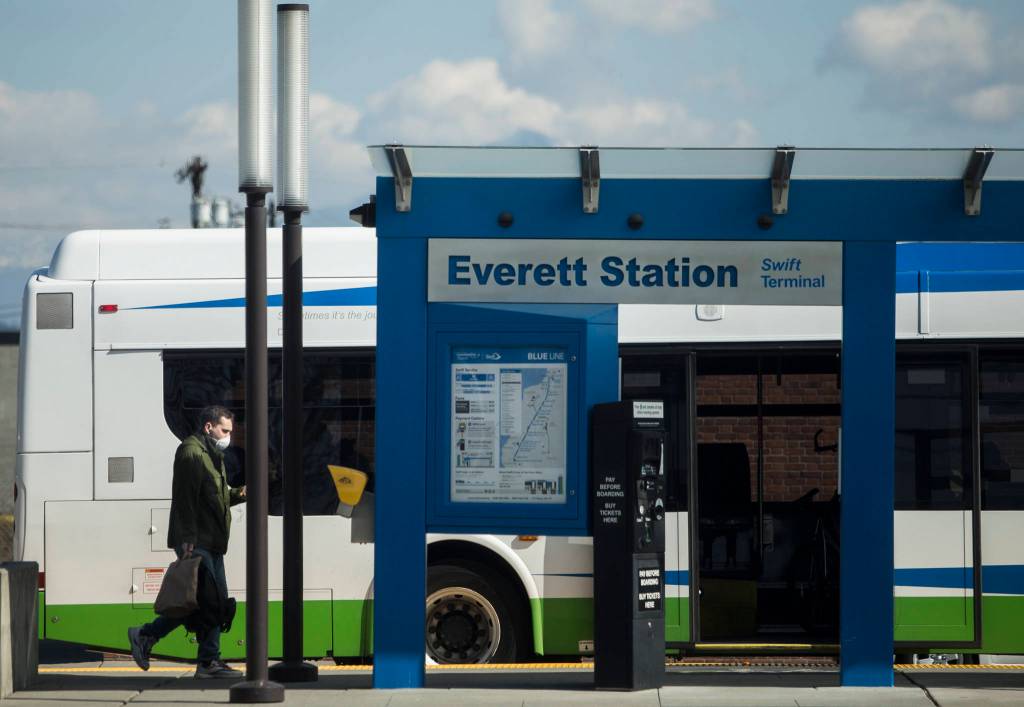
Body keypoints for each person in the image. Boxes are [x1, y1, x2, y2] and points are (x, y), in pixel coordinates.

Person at [128, 405, 246, 679]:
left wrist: (241, 493)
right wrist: (188, 539)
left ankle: (158, 640)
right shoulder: (191, 452)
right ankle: (205, 660)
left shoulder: (212, 455)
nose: (228, 436)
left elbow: (218, 497)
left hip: (212, 541)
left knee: (208, 604)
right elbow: (185, 499)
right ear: (208, 427)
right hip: (199, 540)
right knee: (207, 602)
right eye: (224, 430)